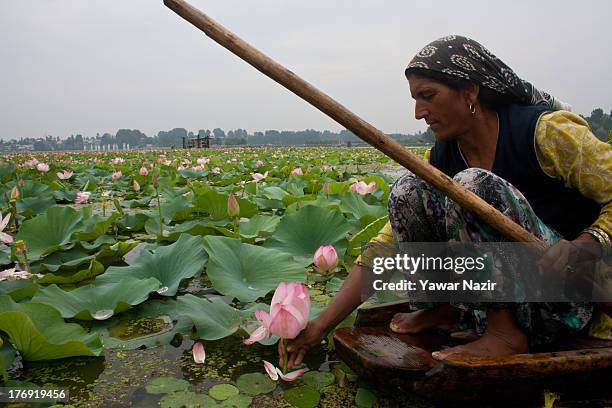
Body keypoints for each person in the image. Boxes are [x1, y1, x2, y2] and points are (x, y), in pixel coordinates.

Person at [280, 35, 611, 367]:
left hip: (565, 298)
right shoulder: (441, 156)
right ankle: (443, 308)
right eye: (415, 99)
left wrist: (588, 243)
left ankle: (505, 333)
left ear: (469, 92)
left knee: (472, 185)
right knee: (407, 189)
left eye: (428, 96)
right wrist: (322, 323)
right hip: (486, 306)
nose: (418, 113)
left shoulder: (546, 132)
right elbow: (387, 244)